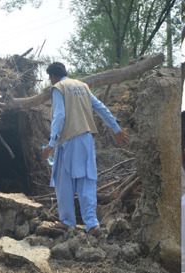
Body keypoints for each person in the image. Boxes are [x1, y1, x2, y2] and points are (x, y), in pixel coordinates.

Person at [41, 62, 129, 236]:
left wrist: (51, 143)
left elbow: (59, 116)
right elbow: (101, 108)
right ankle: (92, 225)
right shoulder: (83, 86)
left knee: (63, 181)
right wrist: (116, 128)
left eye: (50, 78)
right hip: (87, 139)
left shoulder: (59, 88)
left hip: (68, 140)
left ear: (53, 76)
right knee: (86, 182)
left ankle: (67, 222)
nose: (51, 81)